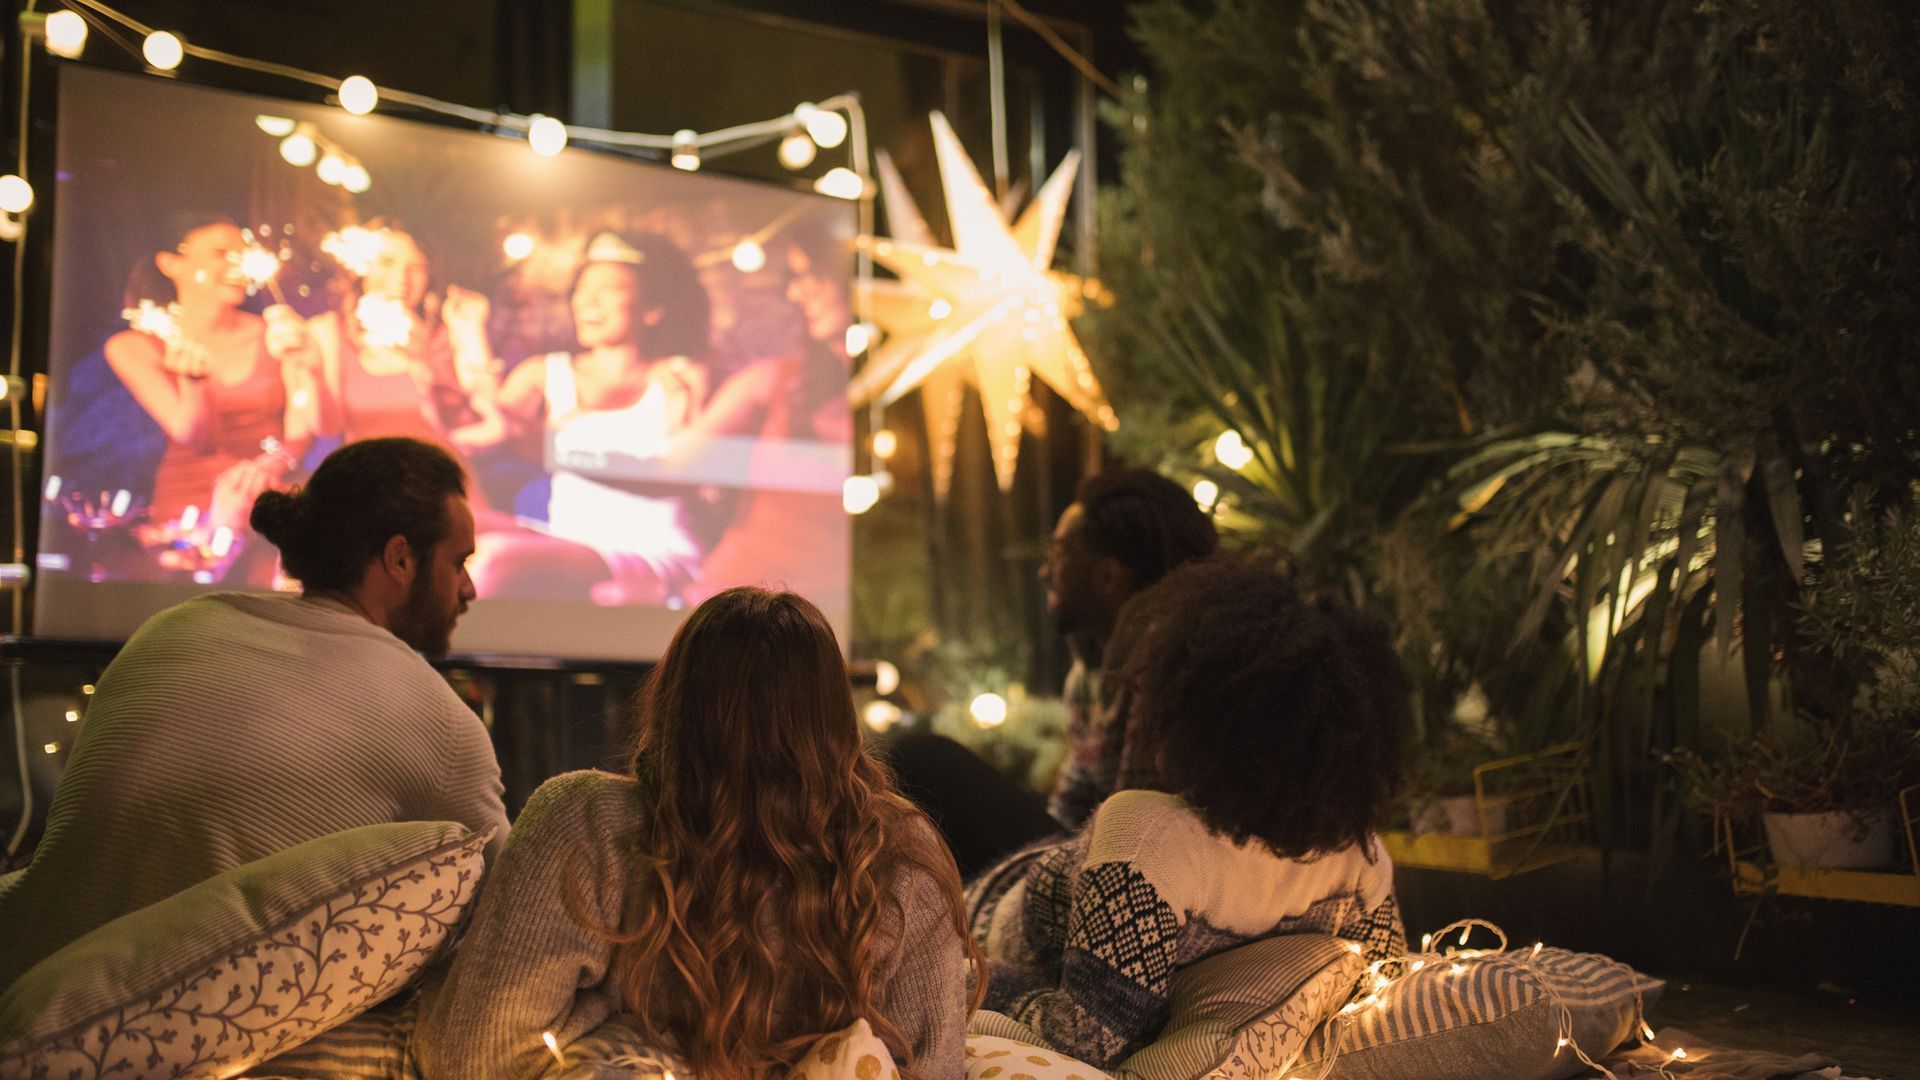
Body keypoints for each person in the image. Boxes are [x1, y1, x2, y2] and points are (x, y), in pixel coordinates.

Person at [0, 438, 507, 988]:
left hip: (17, 969)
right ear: (400, 558)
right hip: (169, 1035)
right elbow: (515, 912)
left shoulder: (173, 626)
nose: (469, 587)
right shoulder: (436, 717)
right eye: (459, 562)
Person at [416, 587, 977, 1080]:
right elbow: (936, 1070)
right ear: (834, 716)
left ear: (674, 697)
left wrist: (617, 1028)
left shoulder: (587, 822)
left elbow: (471, 1058)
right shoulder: (900, 852)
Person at [965, 554, 1411, 1069]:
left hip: (985, 915)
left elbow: (1084, 1039)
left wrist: (965, 975)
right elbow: (1387, 987)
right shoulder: (1362, 858)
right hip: (1046, 871)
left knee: (922, 757)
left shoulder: (1152, 840)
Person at [453, 230, 786, 606]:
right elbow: (488, 423)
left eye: (609, 288)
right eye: (582, 288)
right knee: (453, 528)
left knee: (496, 560)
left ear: (651, 309)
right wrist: (469, 334)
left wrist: (549, 447)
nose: (589, 301)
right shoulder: (543, 374)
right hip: (568, 539)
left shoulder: (681, 376)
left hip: (652, 548)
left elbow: (690, 477)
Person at [105, 212, 321, 544]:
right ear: (171, 263)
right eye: (220, 253)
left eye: (242, 253)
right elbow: (198, 440)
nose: (237, 263)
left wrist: (272, 463)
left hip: (272, 494)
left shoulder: (274, 332)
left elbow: (303, 422)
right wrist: (193, 384)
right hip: (190, 508)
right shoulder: (135, 346)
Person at [1040, 466, 1219, 828]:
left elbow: (1136, 832)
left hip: (1139, 863)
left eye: (1059, 556)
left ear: (1108, 576)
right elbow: (1071, 805)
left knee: (927, 759)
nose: (1046, 572)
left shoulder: (1166, 668)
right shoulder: (1089, 671)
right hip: (1091, 847)